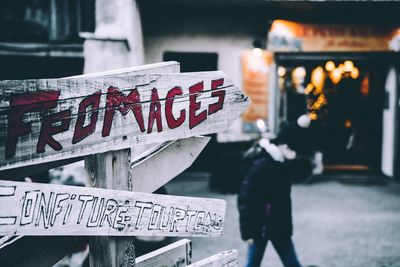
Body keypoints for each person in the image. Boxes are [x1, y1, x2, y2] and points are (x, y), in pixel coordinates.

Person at [238, 116, 315, 267]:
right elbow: (245, 198)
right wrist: (247, 232)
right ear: (286, 147)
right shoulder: (262, 166)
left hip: (280, 226)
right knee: (253, 264)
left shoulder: (283, 164)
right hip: (259, 228)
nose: (296, 157)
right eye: (295, 153)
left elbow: (302, 172)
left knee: (292, 263)